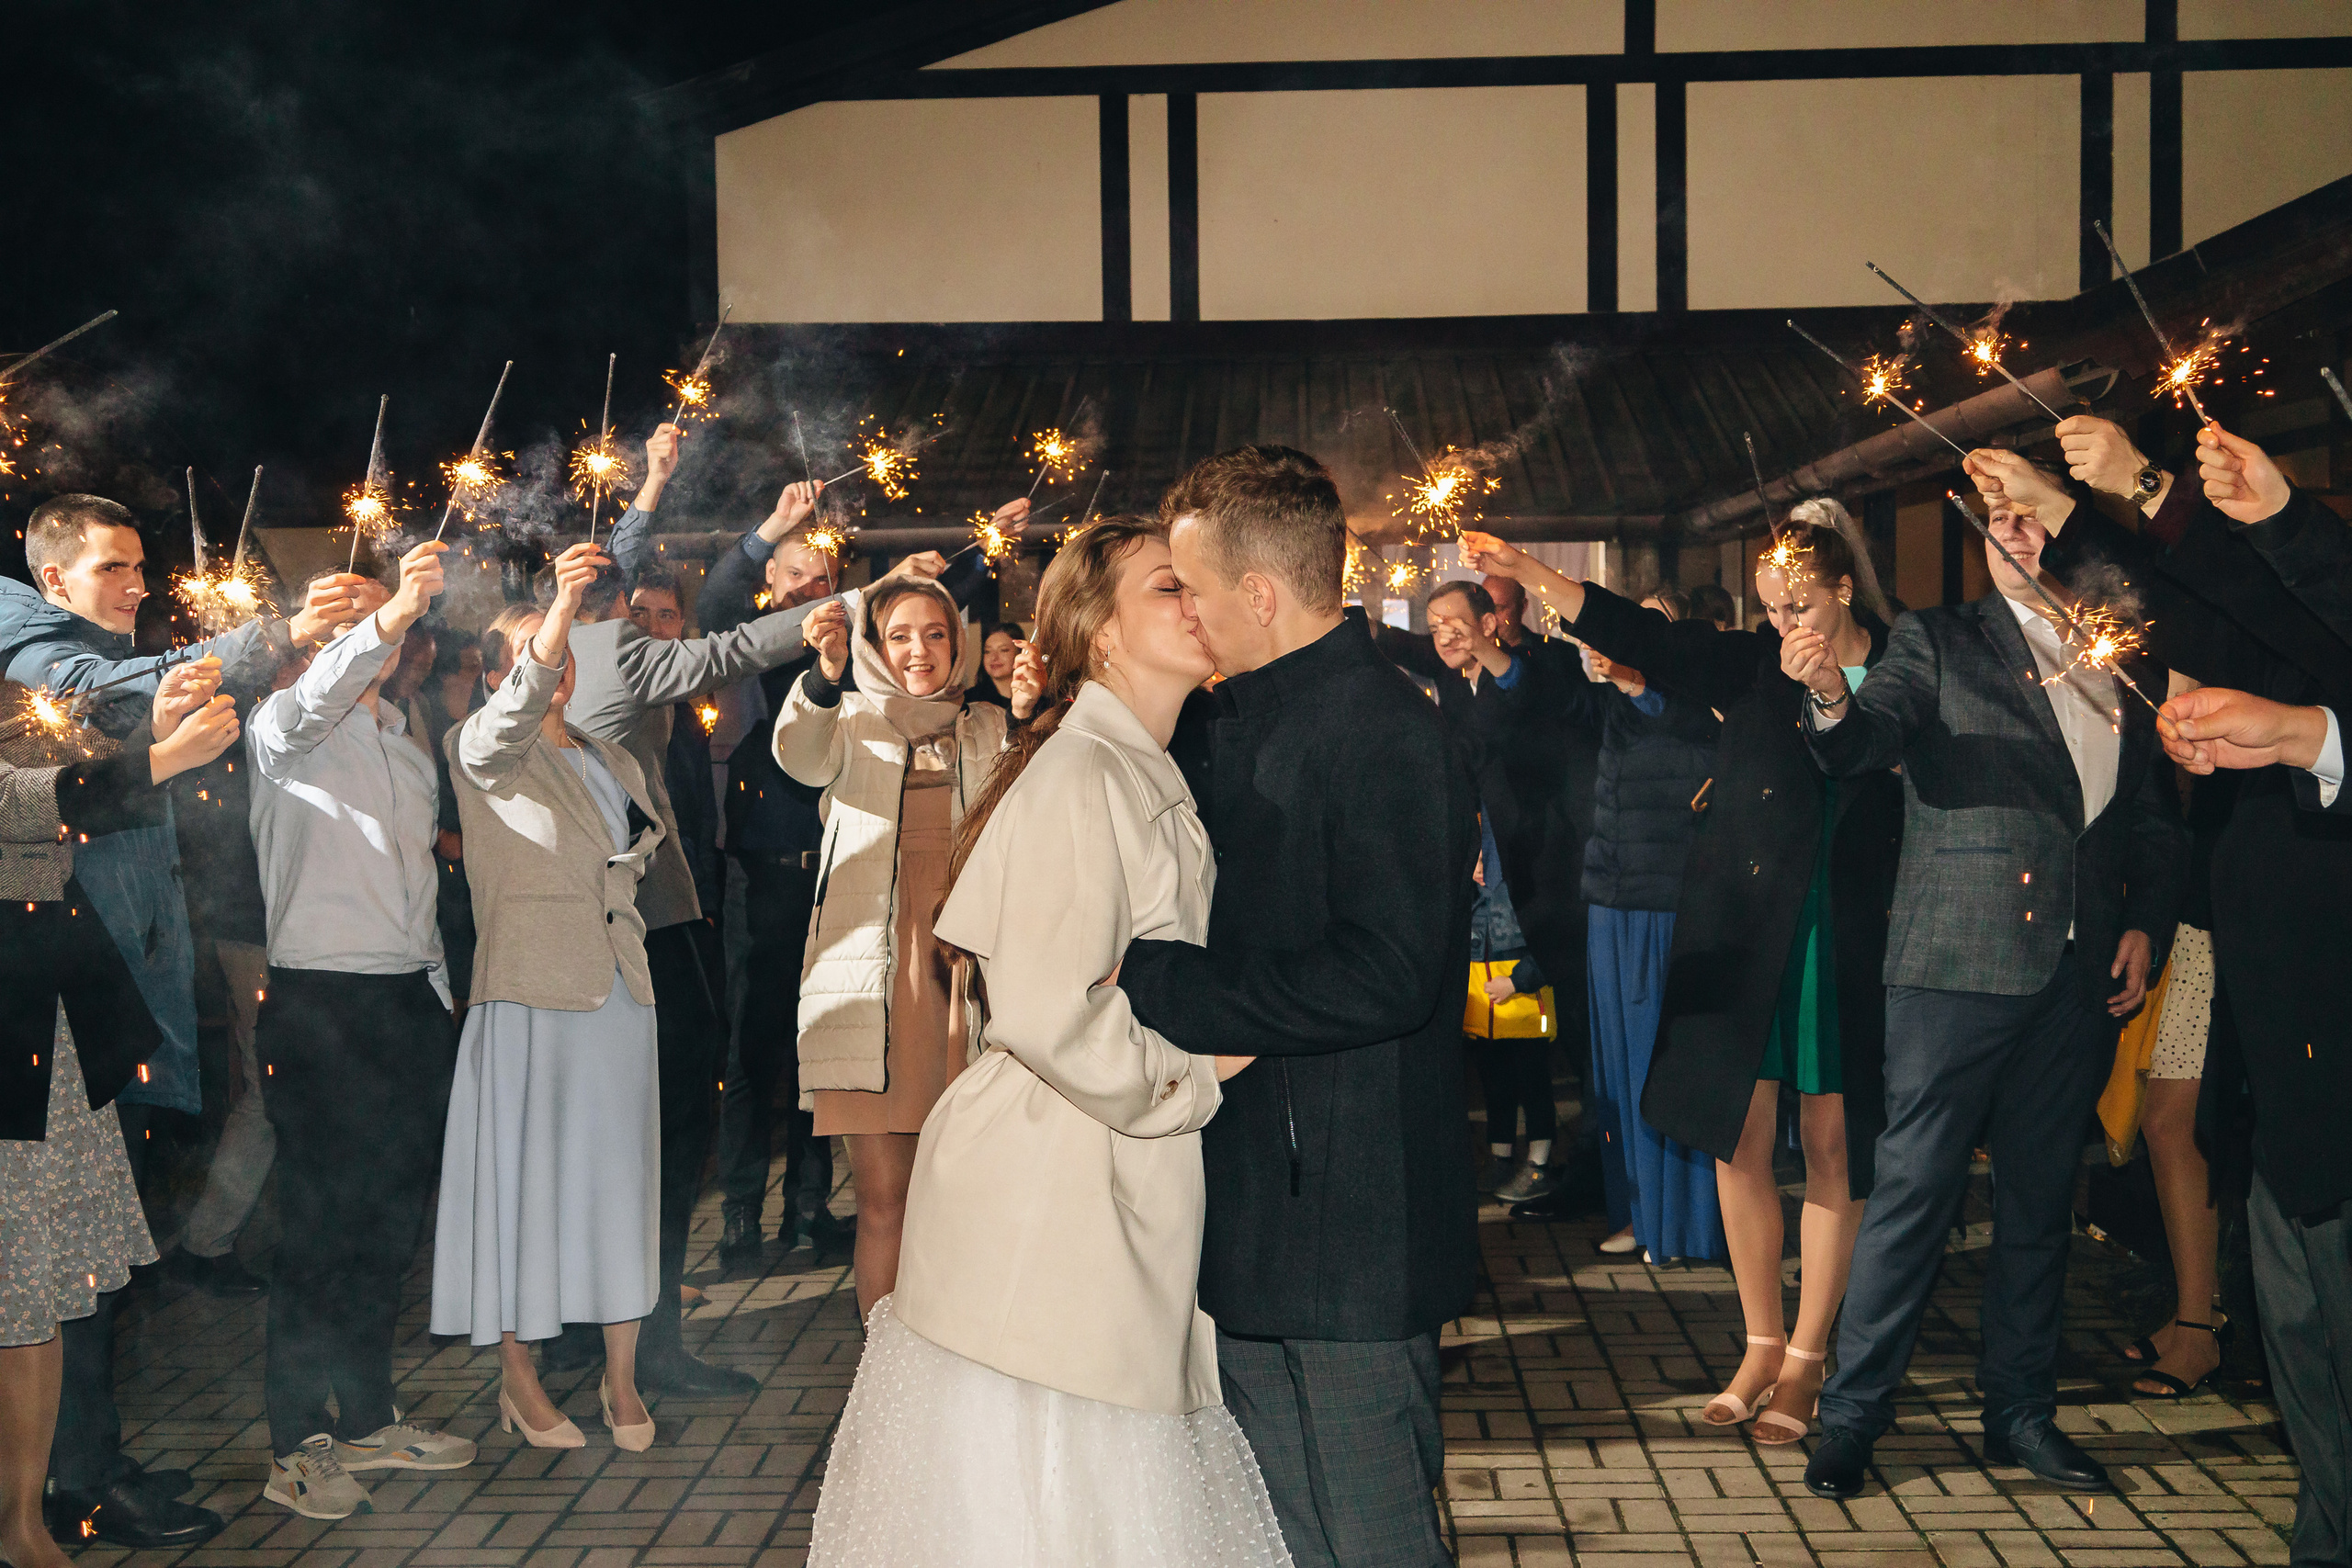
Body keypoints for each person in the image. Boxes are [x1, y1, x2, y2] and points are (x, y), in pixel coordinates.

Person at [807, 516, 1288, 1566]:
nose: (1198, 603)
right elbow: (1046, 1008)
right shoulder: (1082, 773)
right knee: (1053, 1502)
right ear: (1099, 631)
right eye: (1169, 587)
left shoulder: (1134, 764)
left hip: (1093, 1174)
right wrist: (1197, 1070)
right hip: (1051, 1193)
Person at [1983, 417, 2348, 1563]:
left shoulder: (2305, 590)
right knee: (2300, 1318)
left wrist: (2300, 736)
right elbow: (2203, 610)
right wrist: (2069, 519)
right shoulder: (2267, 601)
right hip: (2283, 1020)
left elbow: (2289, 600)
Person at [1114, 445, 1478, 1568]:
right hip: (1257, 1200)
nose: (1190, 614)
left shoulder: (1386, 732)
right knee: (1280, 1533)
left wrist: (1164, 985)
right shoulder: (1237, 723)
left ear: (1260, 595)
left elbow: (1388, 973)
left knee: (1370, 1533)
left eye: (1195, 589)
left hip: (1353, 1218)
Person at [1468, 502, 1903, 1440]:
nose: (1786, 625)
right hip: (1741, 926)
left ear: (1841, 589)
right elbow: (1638, 634)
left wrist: (1836, 685)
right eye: (1771, 607)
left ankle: (1807, 1357)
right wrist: (1529, 572)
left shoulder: (1908, 666)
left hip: (1845, 931)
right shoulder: (1751, 665)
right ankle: (1757, 1339)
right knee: (1733, 1136)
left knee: (1832, 1147)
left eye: (1800, 605)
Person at [1789, 490, 2186, 1502]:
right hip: (1954, 965)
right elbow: (1863, 740)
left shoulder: (2116, 649)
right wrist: (1831, 696)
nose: (2011, 535)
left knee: (2039, 1202)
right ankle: (1850, 1420)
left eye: (2029, 519)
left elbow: (2146, 811)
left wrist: (2144, 920)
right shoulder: (1938, 639)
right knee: (1913, 1195)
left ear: (2066, 536)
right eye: (1993, 522)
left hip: (2078, 971)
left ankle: (2018, 1415)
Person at [545, 524, 846, 1395]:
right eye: (631, 608)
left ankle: (635, 1332)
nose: (648, 624)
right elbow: (737, 631)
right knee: (654, 1132)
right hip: (627, 933)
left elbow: (710, 625)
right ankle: (624, 1339)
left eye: (660, 614)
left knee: (667, 1132)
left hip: (674, 916)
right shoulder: (604, 658)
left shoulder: (634, 664)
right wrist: (865, 593)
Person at [0, 494, 372, 1194]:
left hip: (112, 993)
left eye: (139, 567)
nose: (136, 586)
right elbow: (89, 720)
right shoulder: (32, 651)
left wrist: (161, 724)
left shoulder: (99, 654)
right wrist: (282, 632)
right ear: (54, 579)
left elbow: (119, 763)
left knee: (103, 1223)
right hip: (60, 1006)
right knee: (63, 1231)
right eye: (113, 567)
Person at [245, 541, 478, 1518]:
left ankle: (371, 1414)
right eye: (349, 623)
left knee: (386, 1225)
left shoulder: (403, 735)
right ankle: (295, 1442)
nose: (377, 637)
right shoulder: (282, 724)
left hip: (401, 1002)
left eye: (390, 623)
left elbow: (413, 878)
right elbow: (318, 689)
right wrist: (374, 619)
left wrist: (434, 989)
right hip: (318, 1005)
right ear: (315, 639)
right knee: (319, 1229)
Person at [431, 542, 663, 1453]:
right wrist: (560, 609)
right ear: (496, 674)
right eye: (531, 654)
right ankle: (518, 1374)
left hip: (619, 990)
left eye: (562, 652)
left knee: (618, 1181)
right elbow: (514, 711)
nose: (552, 667)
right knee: (526, 1185)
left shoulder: (611, 756)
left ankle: (620, 1377)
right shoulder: (480, 749)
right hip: (529, 992)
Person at [5, 669, 241, 1561]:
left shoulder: (10, 701)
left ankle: (26, 1515)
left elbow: (83, 783)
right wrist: (165, 757)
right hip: (14, 1032)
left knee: (45, 1289)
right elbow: (40, 799)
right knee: (21, 1288)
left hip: (49, 1031)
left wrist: (160, 739)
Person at [776, 572, 1033, 1322]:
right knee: (884, 1202)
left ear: (958, 642)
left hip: (968, 983)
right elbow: (800, 753)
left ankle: (960, 1373)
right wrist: (824, 675)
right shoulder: (848, 720)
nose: (919, 651)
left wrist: (1029, 713)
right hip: (873, 989)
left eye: (935, 634)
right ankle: (882, 1394)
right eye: (899, 636)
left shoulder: (987, 725)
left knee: (966, 1201)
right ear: (874, 648)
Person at [1470, 578, 1723, 1262]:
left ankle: (1687, 1225)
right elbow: (1544, 696)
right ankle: (1638, 1211)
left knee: (1657, 1064)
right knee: (1614, 1071)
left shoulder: (1697, 700)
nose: (1626, 647)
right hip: (1607, 899)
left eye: (1650, 629)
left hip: (1663, 902)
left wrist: (1640, 684)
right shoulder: (1602, 705)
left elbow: (1685, 721)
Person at [1421, 581, 1557, 1203]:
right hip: (1490, 859)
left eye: (1456, 622)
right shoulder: (1450, 685)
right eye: (1434, 625)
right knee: (1493, 1048)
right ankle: (1500, 1153)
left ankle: (1545, 1154)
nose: (1444, 634)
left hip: (1538, 861)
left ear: (1491, 623)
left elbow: (1517, 701)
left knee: (1535, 1047)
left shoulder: (1524, 673)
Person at [965, 620, 1026, 710]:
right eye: (988, 651)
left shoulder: (1036, 701)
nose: (994, 658)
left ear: (1020, 653)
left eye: (1003, 650)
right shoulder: (969, 701)